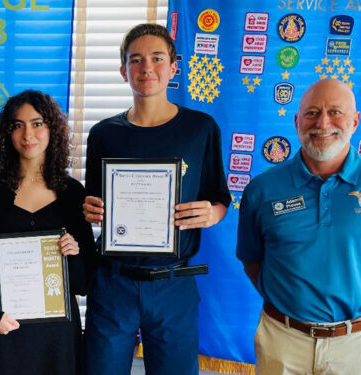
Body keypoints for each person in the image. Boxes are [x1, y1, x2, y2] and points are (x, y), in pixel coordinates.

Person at [236, 79, 361, 374]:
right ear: (297, 121)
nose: (322, 123)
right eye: (311, 113)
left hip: (354, 345)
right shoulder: (262, 189)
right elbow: (252, 260)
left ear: (355, 121)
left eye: (335, 112)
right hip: (282, 340)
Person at [81, 24, 231, 375]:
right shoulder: (103, 134)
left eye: (157, 58)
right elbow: (93, 202)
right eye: (136, 60)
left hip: (172, 282)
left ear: (174, 67)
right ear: (123, 71)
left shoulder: (200, 128)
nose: (146, 68)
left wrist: (211, 213)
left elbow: (220, 197)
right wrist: (89, 210)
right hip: (114, 282)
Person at [0, 90, 93, 375]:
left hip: (55, 338)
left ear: (52, 130)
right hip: (2, 332)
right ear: (8, 133)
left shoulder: (72, 195)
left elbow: (84, 283)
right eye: (17, 125)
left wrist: (74, 254)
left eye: (37, 123)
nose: (27, 134)